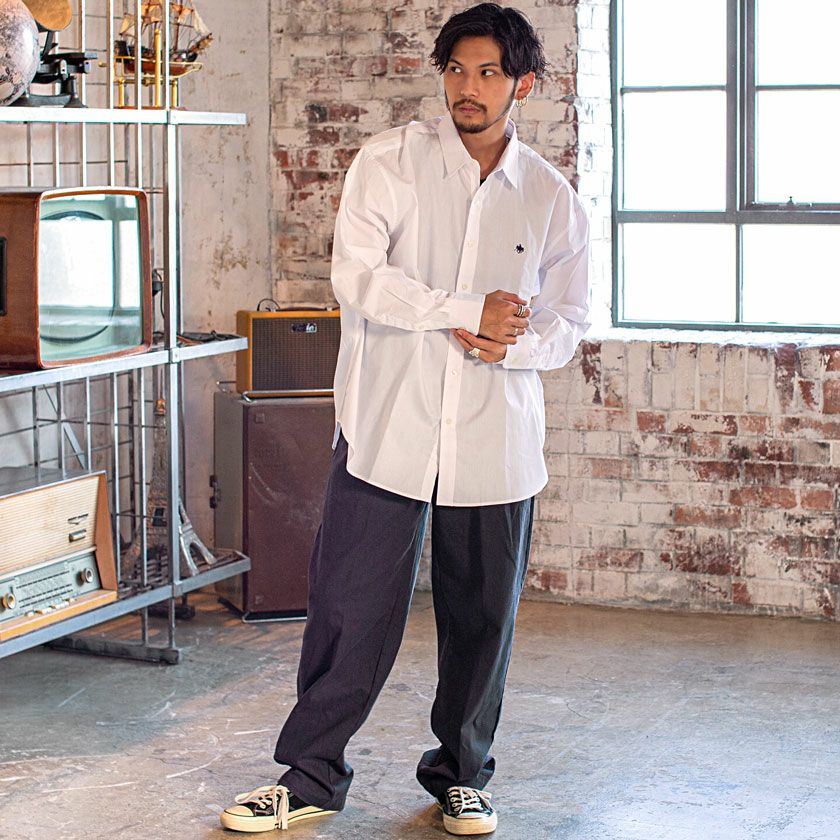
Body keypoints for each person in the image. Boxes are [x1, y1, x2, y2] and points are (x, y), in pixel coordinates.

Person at [220, 3, 590, 835]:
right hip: (388, 431)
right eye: (456, 70)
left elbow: (570, 320)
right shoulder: (389, 162)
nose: (468, 88)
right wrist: (464, 309)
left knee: (482, 621)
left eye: (488, 72)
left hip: (495, 440)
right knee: (347, 612)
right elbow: (358, 278)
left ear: (524, 85)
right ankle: (309, 777)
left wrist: (511, 348)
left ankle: (462, 775)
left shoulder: (550, 197)